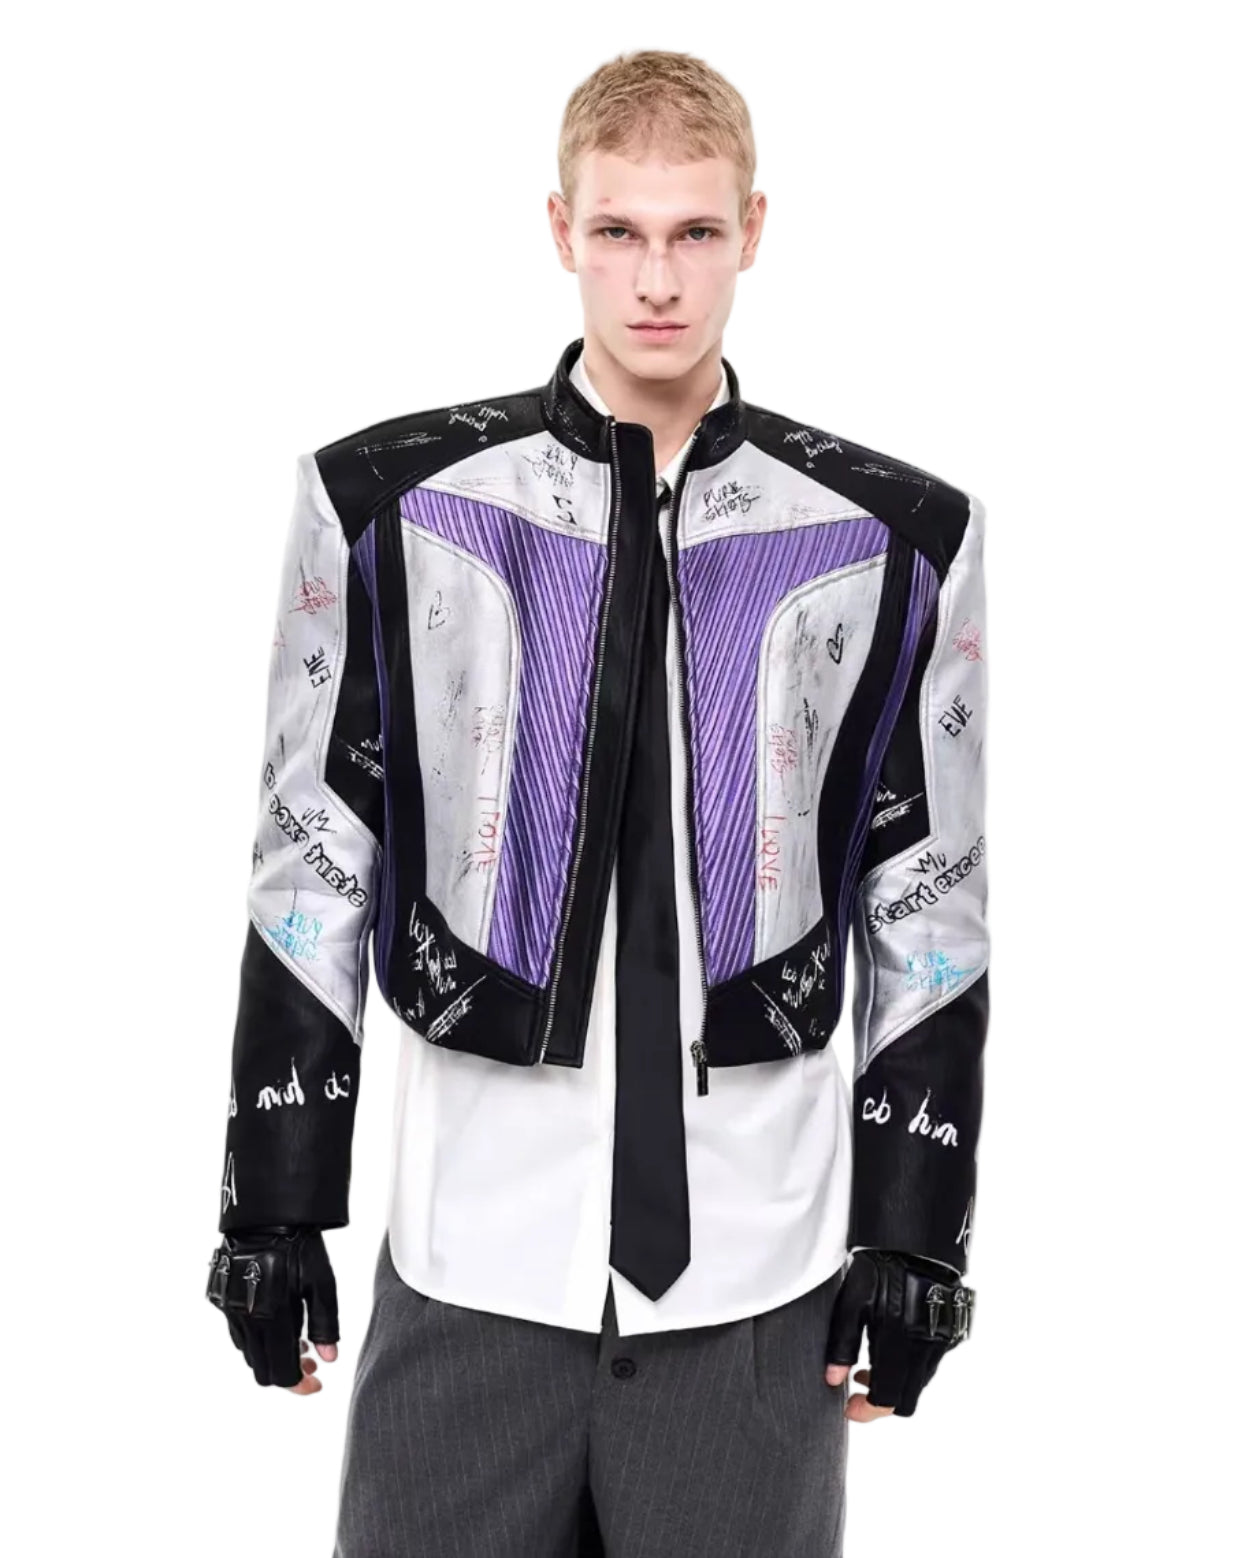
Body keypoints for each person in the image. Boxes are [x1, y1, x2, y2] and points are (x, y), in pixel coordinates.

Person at [204, 46, 989, 1558]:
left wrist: (918, 1227)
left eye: (695, 231)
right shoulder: (389, 506)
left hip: (754, 1289)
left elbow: (929, 898)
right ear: (561, 228)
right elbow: (313, 858)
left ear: (755, 229)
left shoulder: (897, 537)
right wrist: (272, 1200)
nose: (658, 279)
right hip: (473, 1267)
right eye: (620, 230)